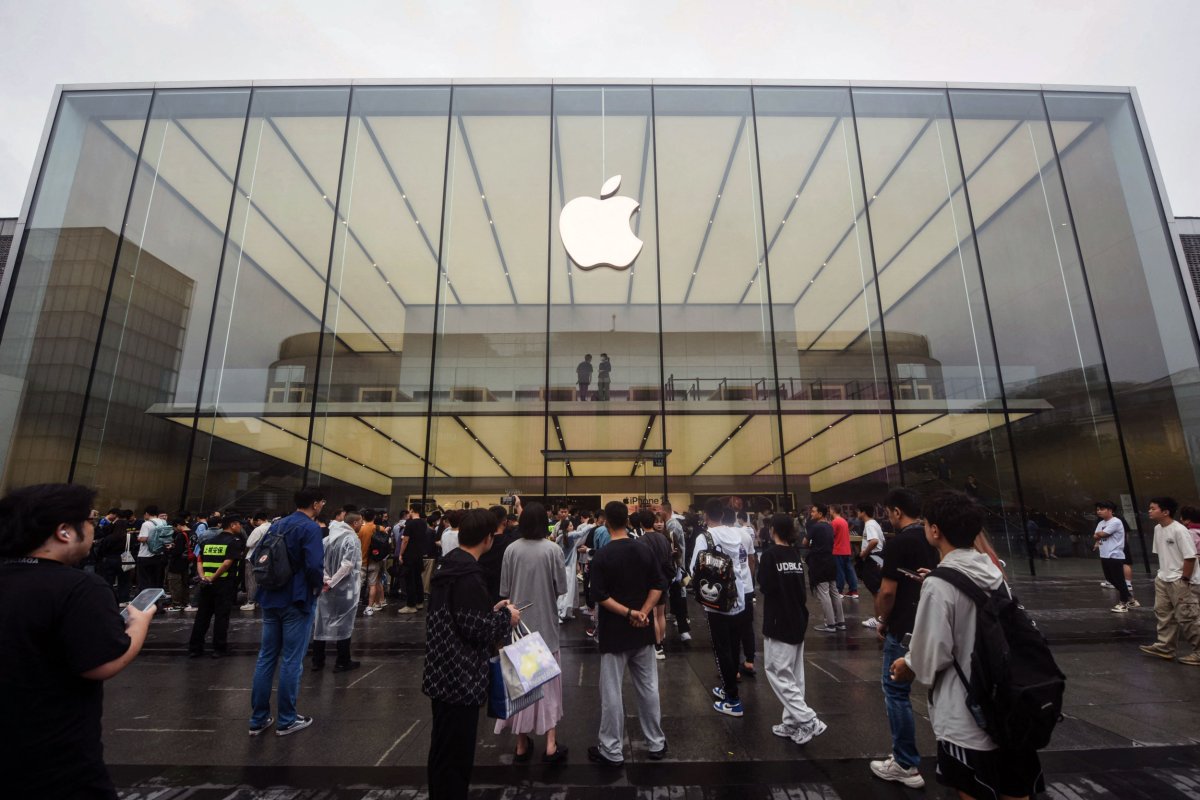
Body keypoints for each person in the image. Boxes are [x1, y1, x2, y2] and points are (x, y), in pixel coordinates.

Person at [0, 483, 156, 799]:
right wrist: (138, 625)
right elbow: (101, 664)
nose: (93, 527)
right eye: (88, 520)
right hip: (54, 761)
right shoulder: (80, 587)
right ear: (64, 531)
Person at [891, 490, 1045, 800]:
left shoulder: (939, 584)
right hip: (1007, 701)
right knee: (1015, 787)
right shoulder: (992, 570)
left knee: (972, 788)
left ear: (935, 531)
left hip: (967, 711)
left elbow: (932, 654)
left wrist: (906, 665)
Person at [424, 508, 521, 800]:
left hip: (440, 670)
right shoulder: (470, 574)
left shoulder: (449, 565)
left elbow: (460, 616)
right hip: (461, 675)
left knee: (442, 748)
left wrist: (489, 610)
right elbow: (477, 629)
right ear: (488, 538)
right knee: (457, 754)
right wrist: (507, 618)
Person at [587, 500, 667, 766]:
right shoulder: (644, 550)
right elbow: (658, 585)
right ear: (628, 521)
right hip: (643, 633)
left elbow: (599, 596)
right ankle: (656, 742)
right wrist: (643, 612)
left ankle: (611, 749)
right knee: (648, 688)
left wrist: (628, 613)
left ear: (607, 522)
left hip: (614, 634)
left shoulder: (603, 555)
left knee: (611, 692)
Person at [870, 487, 937, 789]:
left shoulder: (899, 543)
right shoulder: (936, 538)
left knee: (896, 691)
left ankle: (906, 763)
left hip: (905, 628)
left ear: (897, 511)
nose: (888, 518)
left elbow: (887, 591)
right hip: (937, 624)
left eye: (888, 513)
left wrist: (882, 620)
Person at [249, 487, 326, 736]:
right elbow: (314, 565)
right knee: (292, 659)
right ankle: (286, 719)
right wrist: (317, 586)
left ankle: (259, 718)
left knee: (266, 657)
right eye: (321, 502)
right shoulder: (311, 528)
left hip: (271, 595)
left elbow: (257, 555)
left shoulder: (277, 524)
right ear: (315, 504)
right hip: (297, 597)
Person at [495, 503, 569, 763]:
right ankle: (550, 744)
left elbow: (504, 589)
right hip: (545, 627)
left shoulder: (511, 550)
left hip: (517, 628)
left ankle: (521, 743)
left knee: (520, 685)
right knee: (548, 684)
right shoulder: (553, 549)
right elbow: (561, 586)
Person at [759, 513, 826, 745]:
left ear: (773, 530)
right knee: (795, 674)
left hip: (779, 619)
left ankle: (808, 720)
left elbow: (765, 586)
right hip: (797, 616)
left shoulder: (769, 556)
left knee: (778, 672)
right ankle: (792, 722)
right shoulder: (795, 555)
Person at [691, 497, 752, 717]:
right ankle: (729, 685)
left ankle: (733, 699)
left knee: (721, 648)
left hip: (716, 600)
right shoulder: (736, 533)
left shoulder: (705, 536)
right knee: (734, 645)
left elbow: (693, 568)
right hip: (738, 595)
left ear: (706, 516)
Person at [1138, 496, 1200, 665]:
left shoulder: (1180, 530)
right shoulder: (1158, 529)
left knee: (1188, 617)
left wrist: (1184, 580)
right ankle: (1165, 647)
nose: (1149, 511)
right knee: (1163, 613)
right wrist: (1161, 576)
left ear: (1165, 512)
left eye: (1153, 508)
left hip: (1181, 580)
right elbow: (1162, 554)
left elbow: (1190, 557)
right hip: (1163, 578)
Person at [312, 510, 362, 673]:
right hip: (346, 588)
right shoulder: (352, 539)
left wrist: (326, 580)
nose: (362, 524)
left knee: (322, 621)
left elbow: (319, 561)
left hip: (325, 587)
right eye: (360, 522)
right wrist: (332, 582)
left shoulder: (327, 538)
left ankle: (317, 660)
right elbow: (348, 565)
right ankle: (342, 660)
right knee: (344, 622)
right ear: (354, 523)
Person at [188, 516, 245, 658]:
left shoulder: (208, 541)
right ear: (232, 525)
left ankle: (195, 648)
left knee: (202, 616)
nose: (240, 528)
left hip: (206, 584)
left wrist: (203, 577)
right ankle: (218, 648)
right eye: (238, 524)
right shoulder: (234, 542)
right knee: (221, 616)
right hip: (224, 584)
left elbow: (199, 561)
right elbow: (227, 564)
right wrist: (214, 577)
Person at [641, 512, 674, 659]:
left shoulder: (641, 541)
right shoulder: (664, 539)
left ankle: (656, 645)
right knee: (661, 614)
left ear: (641, 524)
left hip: (649, 581)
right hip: (664, 579)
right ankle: (661, 644)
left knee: (653, 614)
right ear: (653, 522)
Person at [805, 504, 843, 633]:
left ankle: (830, 624)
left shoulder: (815, 527)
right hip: (831, 561)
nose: (811, 513)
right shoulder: (829, 526)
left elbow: (805, 542)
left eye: (814, 511)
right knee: (834, 591)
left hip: (819, 562)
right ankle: (840, 622)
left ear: (820, 514)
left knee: (824, 593)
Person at [1093, 501, 1132, 612]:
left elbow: (1103, 534)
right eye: (1098, 509)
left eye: (1101, 509)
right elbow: (1095, 536)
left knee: (1119, 579)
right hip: (1104, 554)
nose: (1099, 511)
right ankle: (1130, 598)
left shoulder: (1116, 522)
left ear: (1110, 510)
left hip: (1115, 555)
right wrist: (1099, 534)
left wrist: (1100, 534)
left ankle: (1123, 603)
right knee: (1110, 578)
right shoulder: (1101, 523)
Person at [662, 501, 691, 642]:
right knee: (669, 598)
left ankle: (683, 626)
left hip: (675, 568)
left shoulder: (672, 525)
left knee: (679, 594)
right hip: (667, 570)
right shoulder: (665, 529)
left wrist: (677, 559)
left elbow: (678, 547)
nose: (658, 523)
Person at [399, 508, 433, 613]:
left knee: (410, 580)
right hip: (419, 555)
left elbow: (405, 540)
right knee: (418, 578)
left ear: (413, 510)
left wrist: (401, 553)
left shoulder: (410, 524)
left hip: (409, 555)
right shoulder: (423, 523)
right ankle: (419, 602)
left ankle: (410, 605)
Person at [857, 503, 885, 629]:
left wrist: (864, 552)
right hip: (878, 557)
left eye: (858, 511)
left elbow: (874, 541)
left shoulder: (869, 524)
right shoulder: (874, 524)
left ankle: (878, 619)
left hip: (873, 558)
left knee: (876, 591)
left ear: (863, 512)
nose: (857, 514)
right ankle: (881, 618)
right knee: (878, 589)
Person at [364, 508, 392, 615]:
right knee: (376, 582)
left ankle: (374, 603)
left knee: (369, 583)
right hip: (379, 558)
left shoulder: (362, 529)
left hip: (367, 559)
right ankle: (377, 603)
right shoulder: (381, 528)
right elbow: (388, 543)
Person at [242, 511, 271, 611]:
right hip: (266, 557)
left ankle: (251, 601)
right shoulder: (272, 527)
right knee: (262, 580)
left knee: (251, 580)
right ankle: (260, 600)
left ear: (259, 520)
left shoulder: (259, 529)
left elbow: (249, 543)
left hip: (253, 557)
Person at [831, 506, 858, 599]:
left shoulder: (834, 522)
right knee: (849, 570)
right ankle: (854, 590)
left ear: (833, 511)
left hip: (838, 550)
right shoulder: (844, 521)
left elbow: (831, 536)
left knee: (839, 571)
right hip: (847, 549)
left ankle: (839, 591)